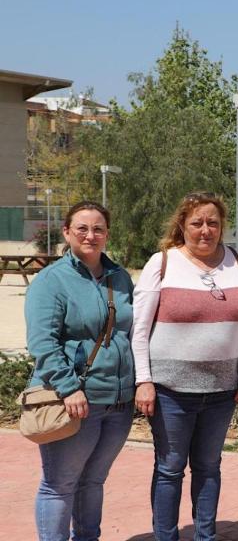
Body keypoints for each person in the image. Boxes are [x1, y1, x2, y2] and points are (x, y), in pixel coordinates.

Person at [131, 192, 238, 541]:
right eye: (197, 222)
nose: (206, 229)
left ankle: (205, 536)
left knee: (209, 468)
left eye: (213, 222)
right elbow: (139, 329)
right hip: (170, 391)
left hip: (221, 391)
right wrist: (144, 380)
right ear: (182, 225)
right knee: (170, 469)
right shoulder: (164, 262)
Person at [26, 200, 136, 541]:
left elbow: (129, 332)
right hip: (75, 399)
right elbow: (43, 342)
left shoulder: (119, 277)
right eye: (83, 228)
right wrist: (68, 388)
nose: (91, 235)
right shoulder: (51, 280)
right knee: (60, 484)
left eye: (98, 229)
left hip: (117, 401)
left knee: (93, 481)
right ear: (67, 232)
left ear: (107, 234)